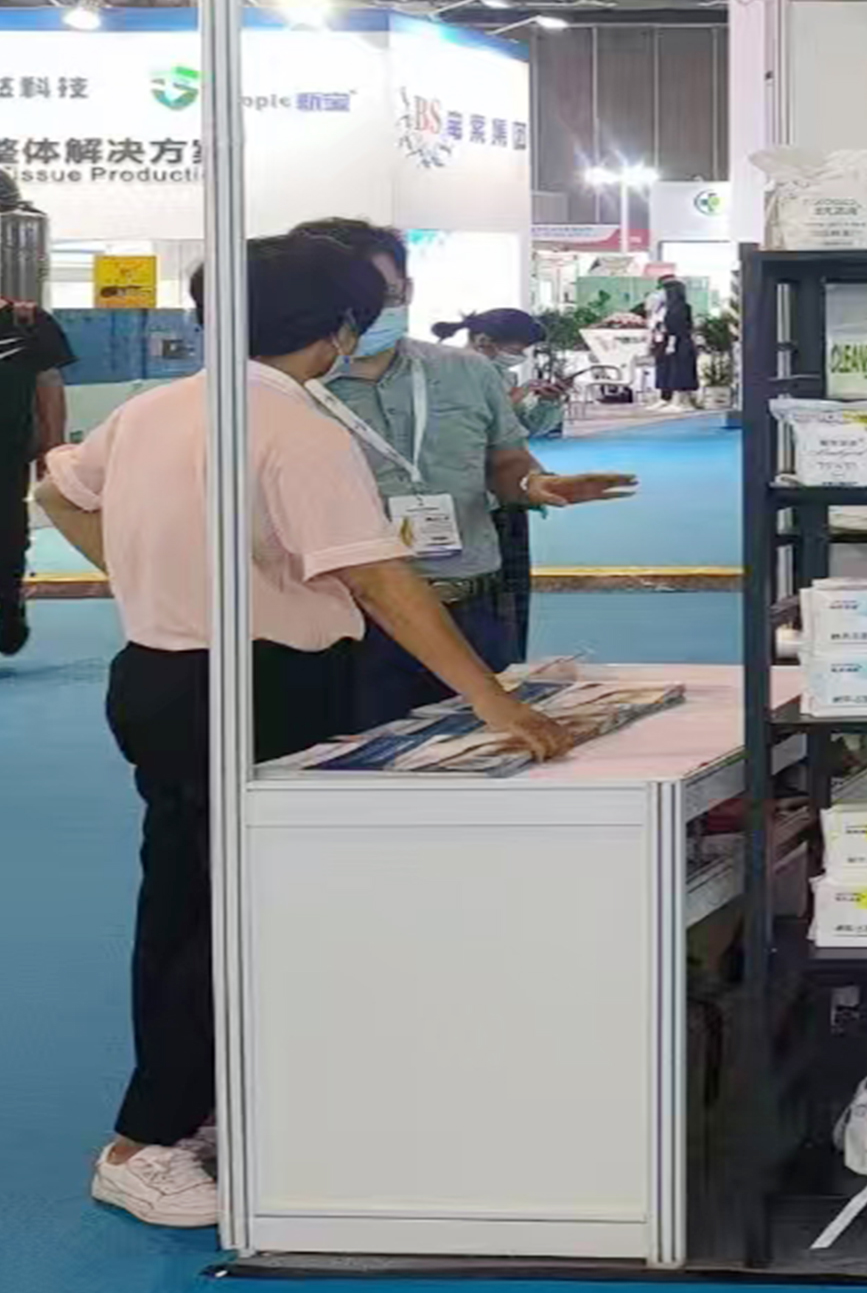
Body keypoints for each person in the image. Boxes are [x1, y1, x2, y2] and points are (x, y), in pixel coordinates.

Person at [38, 235, 575, 1230]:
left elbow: (57, 489)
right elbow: (379, 578)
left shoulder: (157, 407)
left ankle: (193, 1103)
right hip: (260, 683)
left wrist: (149, 573)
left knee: (187, 899)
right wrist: (491, 699)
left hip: (162, 674)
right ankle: (145, 1141)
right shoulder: (298, 427)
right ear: (337, 330)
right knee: (231, 910)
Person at [289, 221, 636, 725]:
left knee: (483, 749)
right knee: (344, 762)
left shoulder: (467, 372)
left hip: (472, 606)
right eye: (351, 299)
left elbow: (505, 461)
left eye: (384, 295)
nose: (367, 312)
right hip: (344, 619)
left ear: (407, 291)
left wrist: (534, 484)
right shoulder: (285, 391)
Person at [0, 295, 73, 658]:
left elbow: (50, 381)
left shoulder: (27, 322)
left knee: (8, 539)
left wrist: (53, 446)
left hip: (7, 457)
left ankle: (7, 611)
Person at [439, 307, 565, 440]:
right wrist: (515, 397)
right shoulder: (446, 374)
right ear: (482, 340)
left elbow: (524, 428)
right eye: (516, 350)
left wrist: (547, 402)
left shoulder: (504, 378)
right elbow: (466, 425)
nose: (521, 356)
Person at [648, 276, 700, 408]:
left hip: (678, 341)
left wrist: (671, 342)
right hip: (665, 341)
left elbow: (679, 327)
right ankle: (666, 397)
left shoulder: (681, 308)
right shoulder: (662, 308)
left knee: (679, 370)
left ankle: (680, 401)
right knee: (666, 369)